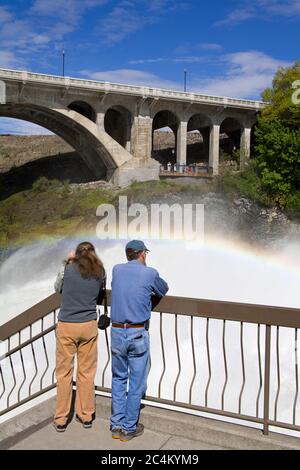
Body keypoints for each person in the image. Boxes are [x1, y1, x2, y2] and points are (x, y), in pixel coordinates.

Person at [110, 240, 169, 442]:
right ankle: (128, 428)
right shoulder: (150, 273)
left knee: (118, 378)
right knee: (135, 383)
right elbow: (163, 289)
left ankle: (116, 425)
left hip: (117, 332)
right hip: (137, 333)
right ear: (142, 254)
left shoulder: (116, 270)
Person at [53, 241, 105, 432]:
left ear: (76, 254)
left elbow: (57, 288)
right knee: (86, 373)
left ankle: (61, 418)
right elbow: (100, 291)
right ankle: (85, 415)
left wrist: (66, 262)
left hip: (67, 325)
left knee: (64, 373)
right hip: (88, 325)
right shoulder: (100, 271)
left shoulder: (67, 269)